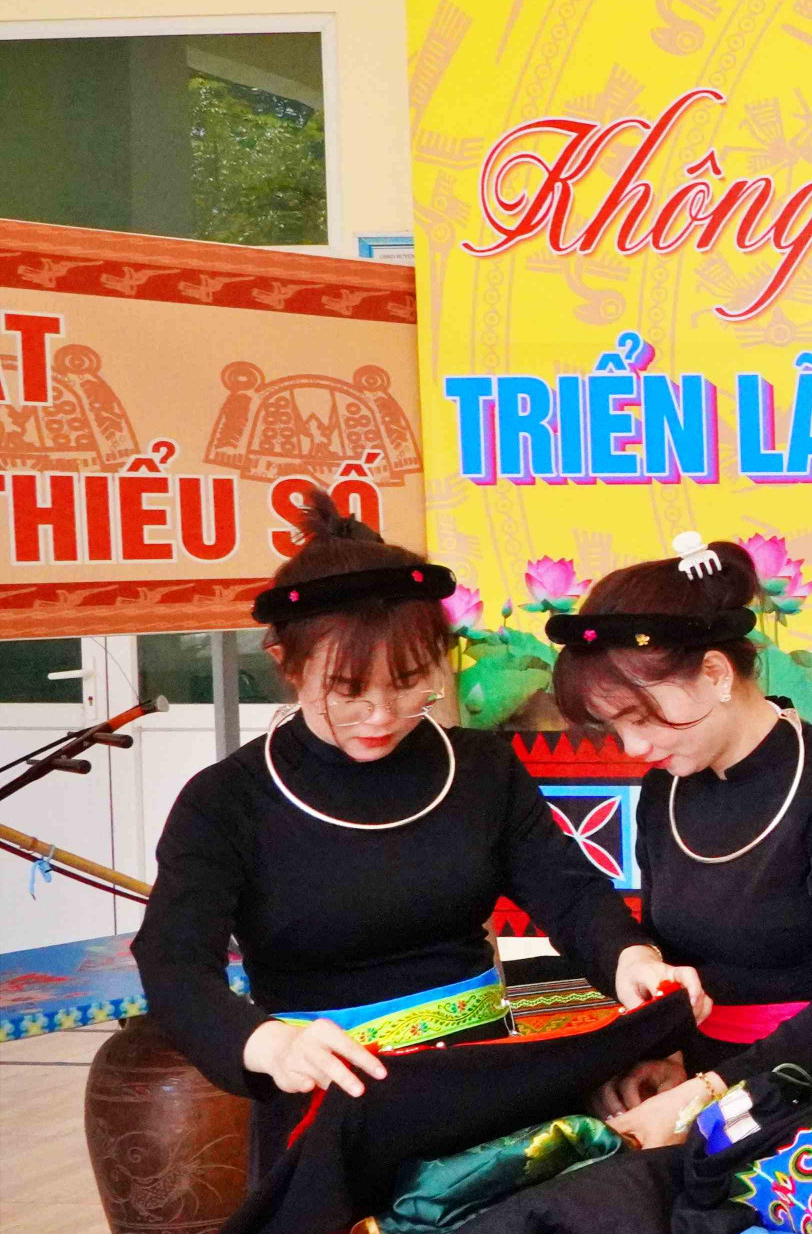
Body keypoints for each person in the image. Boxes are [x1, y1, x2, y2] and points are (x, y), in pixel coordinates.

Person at [134, 499, 683, 1170]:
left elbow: (567, 892)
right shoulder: (226, 802)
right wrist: (269, 1046)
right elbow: (173, 963)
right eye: (347, 690)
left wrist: (631, 959)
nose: (381, 714)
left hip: (485, 1088)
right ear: (286, 663)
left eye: (407, 682)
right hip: (328, 1110)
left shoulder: (478, 769)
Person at [546, 533, 812, 1145]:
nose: (633, 747)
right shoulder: (665, 789)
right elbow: (679, 960)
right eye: (614, 727)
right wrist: (669, 1062)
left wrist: (707, 1093)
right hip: (708, 1079)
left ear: (716, 673)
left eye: (640, 717)